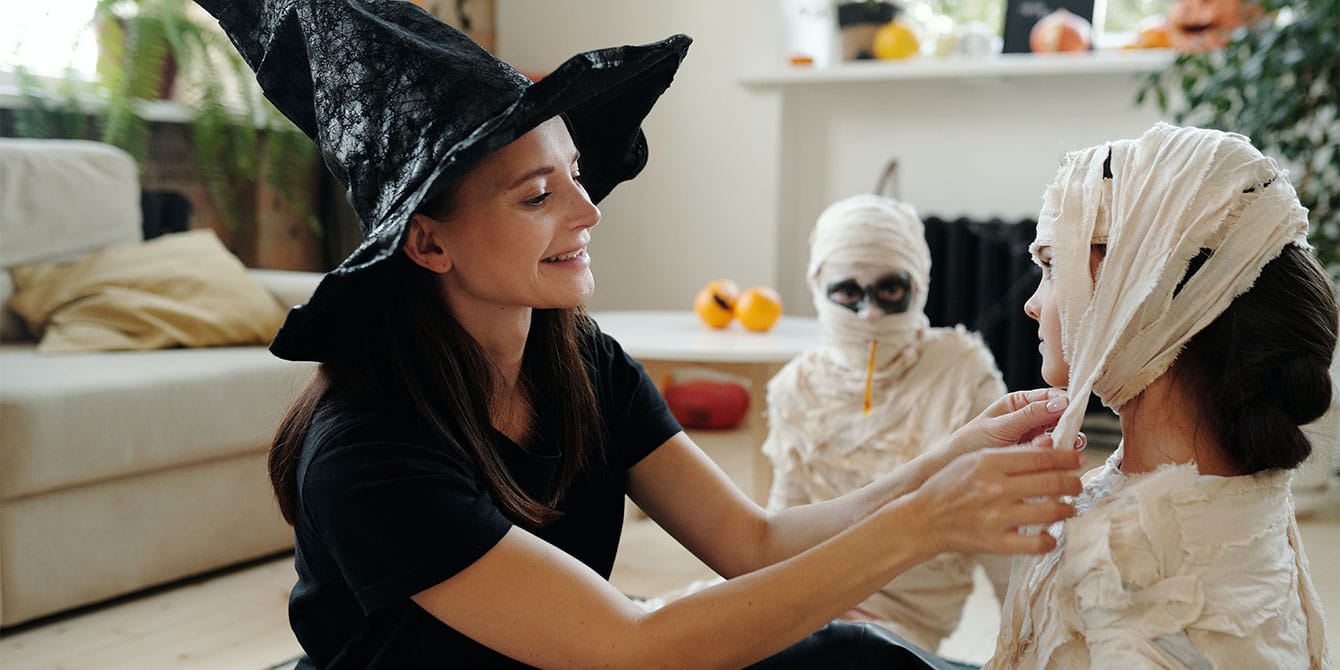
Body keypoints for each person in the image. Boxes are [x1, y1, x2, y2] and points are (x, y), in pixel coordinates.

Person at [199, 1, 1084, 667]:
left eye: (575, 174)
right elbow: (633, 648)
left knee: (858, 657)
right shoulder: (367, 454)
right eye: (537, 195)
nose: (587, 211)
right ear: (428, 241)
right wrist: (930, 522)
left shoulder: (577, 360)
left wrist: (952, 458)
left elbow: (754, 545)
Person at [987, 122, 1337, 668]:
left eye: (1053, 268)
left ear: (1142, 295)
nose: (1034, 304)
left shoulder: (1153, 590)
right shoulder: (1233, 496)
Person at [762, 194, 1016, 652]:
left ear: (918, 285)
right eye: (848, 293)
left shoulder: (961, 374)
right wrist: (787, 601)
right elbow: (782, 523)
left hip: (901, 622)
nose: (870, 314)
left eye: (889, 291)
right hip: (801, 600)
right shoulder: (794, 385)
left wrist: (1025, 645)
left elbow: (1004, 534)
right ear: (817, 285)